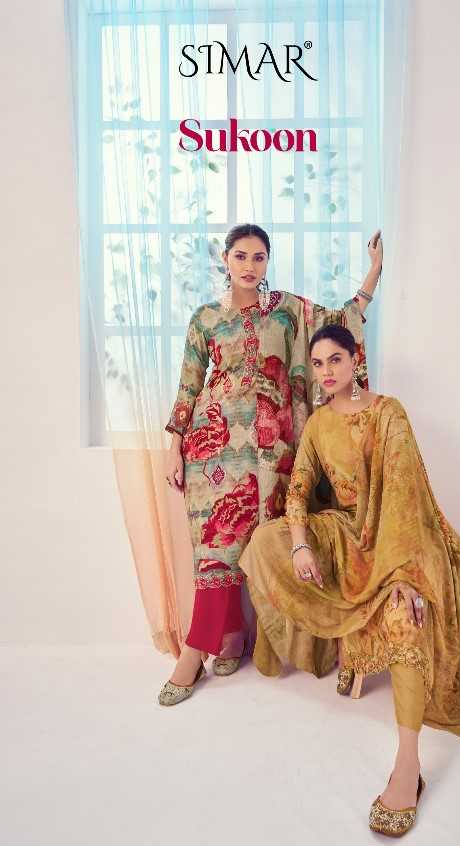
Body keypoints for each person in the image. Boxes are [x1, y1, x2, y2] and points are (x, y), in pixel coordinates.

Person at [239, 323, 460, 837]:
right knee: (267, 541)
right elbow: (300, 489)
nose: (326, 371)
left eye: (335, 359)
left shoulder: (388, 412)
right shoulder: (319, 423)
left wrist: (401, 573)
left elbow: (403, 497)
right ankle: (348, 640)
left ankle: (408, 763)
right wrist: (302, 542)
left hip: (402, 540)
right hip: (346, 536)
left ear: (355, 359)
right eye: (318, 363)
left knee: (403, 615)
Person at [159, 223, 383, 705]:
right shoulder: (204, 318)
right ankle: (198, 649)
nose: (249, 265)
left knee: (259, 542)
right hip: (212, 447)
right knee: (216, 546)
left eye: (259, 257)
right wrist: (174, 445)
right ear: (225, 259)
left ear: (267, 262)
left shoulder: (286, 310)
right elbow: (189, 384)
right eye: (240, 256)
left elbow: (338, 324)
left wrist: (374, 273)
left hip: (270, 450)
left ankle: (236, 636)